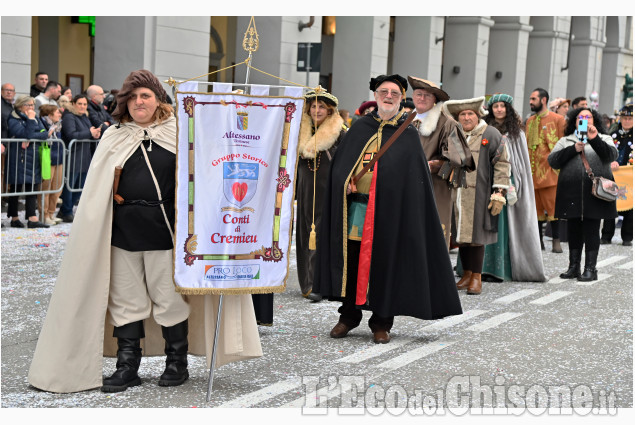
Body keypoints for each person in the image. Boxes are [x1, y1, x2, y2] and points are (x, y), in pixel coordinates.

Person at [28, 69, 262, 394]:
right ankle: (127, 367)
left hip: (164, 231)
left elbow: (203, 177)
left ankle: (176, 362)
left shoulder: (178, 134)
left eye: (146, 96)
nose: (140, 102)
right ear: (125, 102)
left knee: (168, 299)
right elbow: (99, 191)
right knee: (125, 300)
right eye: (134, 97)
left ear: (158, 100)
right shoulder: (115, 136)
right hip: (122, 232)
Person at [314, 74, 462, 344]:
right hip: (357, 211)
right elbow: (339, 168)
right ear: (376, 95)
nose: (389, 96)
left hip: (390, 214)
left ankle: (381, 322)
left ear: (401, 97)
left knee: (385, 263)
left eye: (394, 92)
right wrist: (345, 182)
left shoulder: (407, 134)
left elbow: (413, 180)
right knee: (354, 260)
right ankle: (348, 316)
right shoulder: (360, 128)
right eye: (384, 91)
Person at [443, 97, 510, 294]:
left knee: (476, 236)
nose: (466, 117)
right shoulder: (454, 134)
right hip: (457, 192)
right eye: (462, 114)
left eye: (470, 113)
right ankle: (467, 274)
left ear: (477, 115)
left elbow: (502, 162)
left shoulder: (490, 133)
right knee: (462, 235)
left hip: (481, 192)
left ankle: (477, 277)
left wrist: (499, 191)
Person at [479, 93, 546, 282]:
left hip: (507, 183)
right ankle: (477, 267)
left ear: (508, 109)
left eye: (502, 106)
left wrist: (514, 183)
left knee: (502, 226)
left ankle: (500, 270)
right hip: (484, 182)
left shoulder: (517, 133)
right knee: (481, 224)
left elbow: (521, 163)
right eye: (495, 106)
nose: (499, 109)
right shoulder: (483, 130)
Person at [548, 107, 617, 281]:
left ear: (594, 120)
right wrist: (573, 149)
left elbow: (611, 156)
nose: (585, 119)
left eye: (588, 116)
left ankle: (590, 269)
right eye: (581, 117)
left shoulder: (605, 138)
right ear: (575, 121)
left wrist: (594, 140)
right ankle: (573, 267)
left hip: (595, 194)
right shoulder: (566, 140)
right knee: (573, 230)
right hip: (571, 193)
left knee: (592, 229)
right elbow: (552, 161)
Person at [407, 75, 474, 248]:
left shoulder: (447, 123)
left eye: (427, 95)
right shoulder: (405, 120)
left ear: (434, 100)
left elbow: (462, 158)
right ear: (413, 97)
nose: (422, 98)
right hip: (406, 187)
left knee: (431, 237)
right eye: (419, 94)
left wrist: (435, 165)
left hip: (434, 188)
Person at [296, 88, 346, 301]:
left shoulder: (340, 132)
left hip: (329, 190)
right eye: (314, 106)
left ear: (329, 110)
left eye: (321, 107)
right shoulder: (299, 131)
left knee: (324, 234)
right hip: (306, 190)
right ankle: (306, 282)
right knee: (305, 233)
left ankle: (320, 284)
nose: (317, 110)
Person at [526, 88, 566, 253]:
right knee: (535, 210)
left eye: (533, 98)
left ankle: (556, 240)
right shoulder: (529, 121)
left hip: (551, 172)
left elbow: (563, 144)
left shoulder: (558, 119)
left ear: (543, 100)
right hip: (532, 172)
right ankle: (539, 241)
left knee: (553, 208)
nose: (530, 101)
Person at [5, 95, 49, 228]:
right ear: (20, 106)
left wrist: (29, 136)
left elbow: (44, 133)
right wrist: (30, 121)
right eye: (28, 105)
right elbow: (25, 134)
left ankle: (32, 218)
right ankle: (14, 218)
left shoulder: (36, 117)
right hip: (18, 157)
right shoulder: (13, 118)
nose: (31, 108)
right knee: (16, 187)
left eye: (32, 105)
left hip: (33, 156)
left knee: (33, 186)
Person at [57, 94, 101, 222]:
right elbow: (71, 134)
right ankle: (66, 211)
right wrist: (89, 133)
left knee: (80, 186)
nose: (82, 106)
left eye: (85, 104)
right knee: (70, 185)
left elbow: (88, 132)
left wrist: (94, 135)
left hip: (84, 156)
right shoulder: (69, 117)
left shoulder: (84, 117)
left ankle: (66, 209)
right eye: (80, 104)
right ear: (73, 103)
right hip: (73, 155)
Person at [601, 104, 633, 246]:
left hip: (630, 177)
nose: (627, 121)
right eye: (624, 118)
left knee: (630, 206)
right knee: (609, 203)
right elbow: (604, 152)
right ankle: (606, 235)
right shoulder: (612, 133)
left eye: (630, 118)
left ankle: (627, 237)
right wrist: (611, 161)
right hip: (613, 174)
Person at [39, 104, 65, 225]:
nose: (60, 115)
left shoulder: (58, 125)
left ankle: (51, 213)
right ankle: (44, 215)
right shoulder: (43, 124)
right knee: (46, 188)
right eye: (57, 113)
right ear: (49, 115)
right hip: (48, 160)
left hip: (58, 159)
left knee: (56, 189)